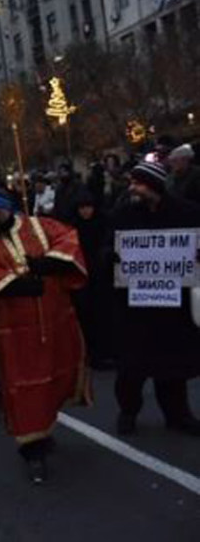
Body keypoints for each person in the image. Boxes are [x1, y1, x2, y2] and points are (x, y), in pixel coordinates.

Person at [0, 187, 91, 484]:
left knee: (54, 381)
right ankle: (32, 451)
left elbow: (69, 239)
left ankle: (43, 432)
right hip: (13, 335)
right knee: (22, 391)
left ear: (3, 208)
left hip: (55, 323)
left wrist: (50, 263)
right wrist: (24, 285)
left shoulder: (41, 225)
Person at [110, 161, 200, 436]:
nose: (132, 189)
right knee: (131, 367)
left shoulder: (187, 213)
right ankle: (128, 412)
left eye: (137, 183)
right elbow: (108, 245)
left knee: (172, 366)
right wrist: (110, 257)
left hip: (172, 303)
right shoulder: (124, 214)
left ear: (154, 186)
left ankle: (177, 414)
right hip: (135, 304)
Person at [71, 191, 116, 369]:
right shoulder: (74, 227)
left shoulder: (104, 223)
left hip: (102, 277)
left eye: (88, 207)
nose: (85, 212)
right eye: (82, 208)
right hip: (85, 277)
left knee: (105, 315)